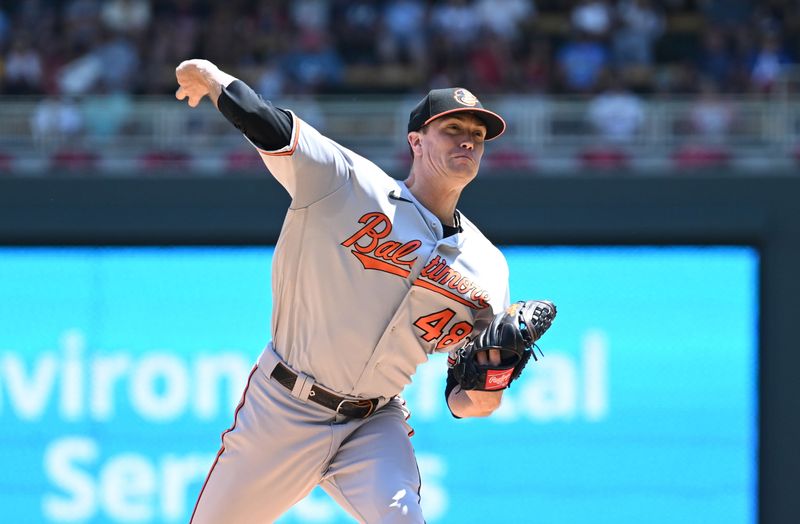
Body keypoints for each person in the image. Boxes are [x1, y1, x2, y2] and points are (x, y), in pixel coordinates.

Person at [175, 58, 555, 523]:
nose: (467, 140)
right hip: (284, 407)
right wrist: (214, 80)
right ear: (415, 141)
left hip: (374, 421)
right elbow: (273, 128)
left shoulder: (488, 267)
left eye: (477, 136)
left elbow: (466, 401)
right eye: (452, 127)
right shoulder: (349, 184)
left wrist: (495, 375)